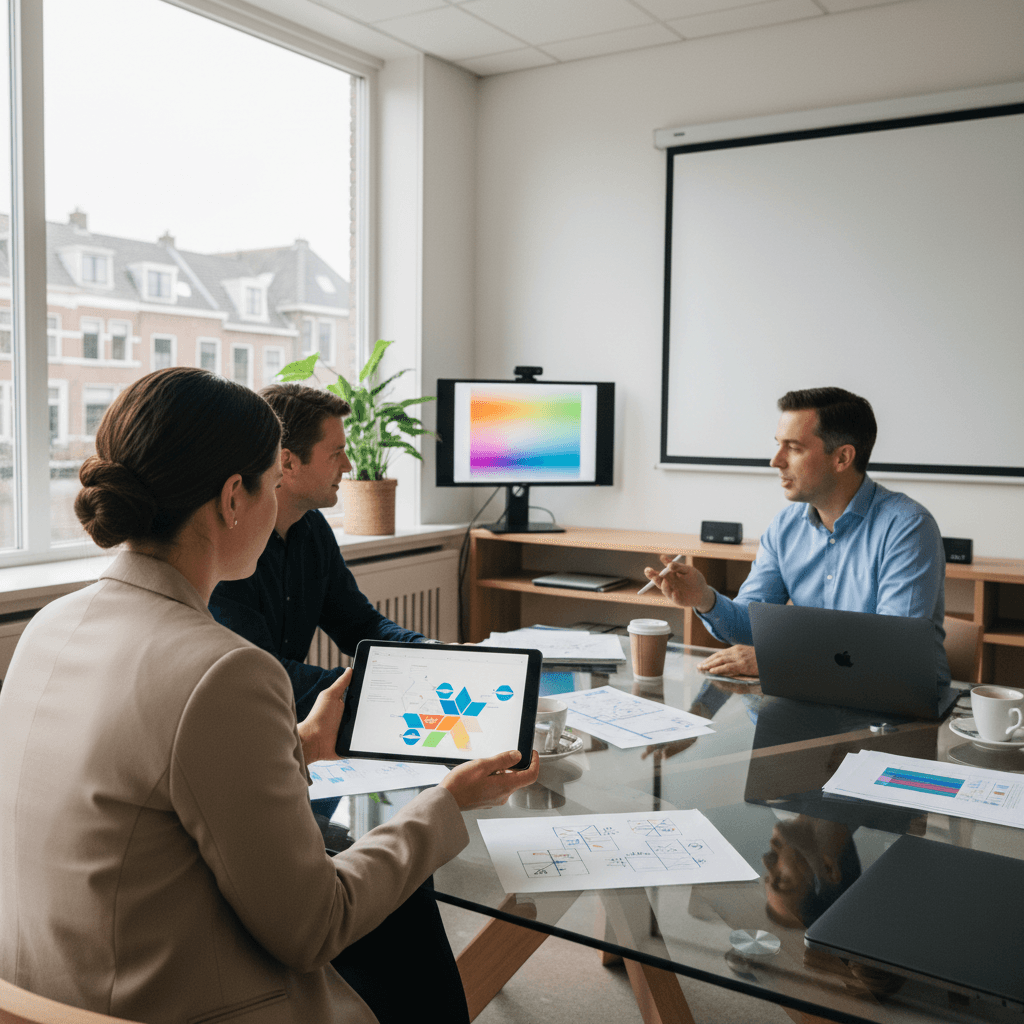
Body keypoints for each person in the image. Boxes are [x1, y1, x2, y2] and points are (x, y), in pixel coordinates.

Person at [0, 367, 539, 1024]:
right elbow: (313, 928)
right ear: (235, 497)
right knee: (395, 903)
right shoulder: (224, 670)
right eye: (269, 482)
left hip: (45, 993)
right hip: (171, 1004)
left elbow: (151, 785)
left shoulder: (49, 624)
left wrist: (305, 744)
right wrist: (447, 802)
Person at [645, 387, 949, 683]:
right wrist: (705, 599)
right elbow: (752, 624)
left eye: (793, 448)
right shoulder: (785, 526)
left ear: (842, 458)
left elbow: (893, 650)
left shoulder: (908, 527)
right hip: (813, 695)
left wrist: (779, 660)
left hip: (896, 706)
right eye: (778, 445)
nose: (775, 461)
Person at [210, 384, 429, 721]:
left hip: (287, 724)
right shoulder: (232, 546)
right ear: (288, 462)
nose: (348, 465)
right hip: (239, 721)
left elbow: (359, 624)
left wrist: (425, 653)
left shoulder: (313, 530)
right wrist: (385, 687)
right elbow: (260, 674)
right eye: (336, 452)